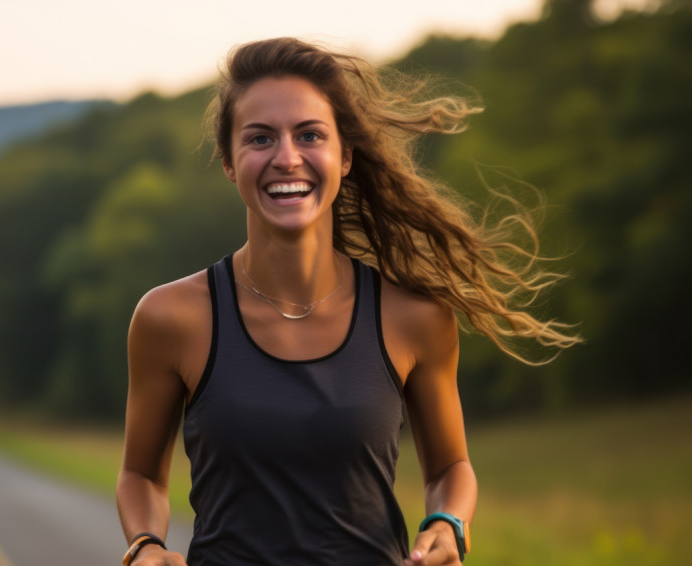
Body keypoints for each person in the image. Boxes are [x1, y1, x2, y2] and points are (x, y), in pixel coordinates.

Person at [116, 37, 579, 566]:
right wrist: (145, 545)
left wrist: (450, 525)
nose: (287, 158)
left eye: (310, 134)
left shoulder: (415, 316)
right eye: (260, 138)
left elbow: (451, 468)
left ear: (346, 155)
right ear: (229, 161)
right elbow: (141, 474)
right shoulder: (170, 317)